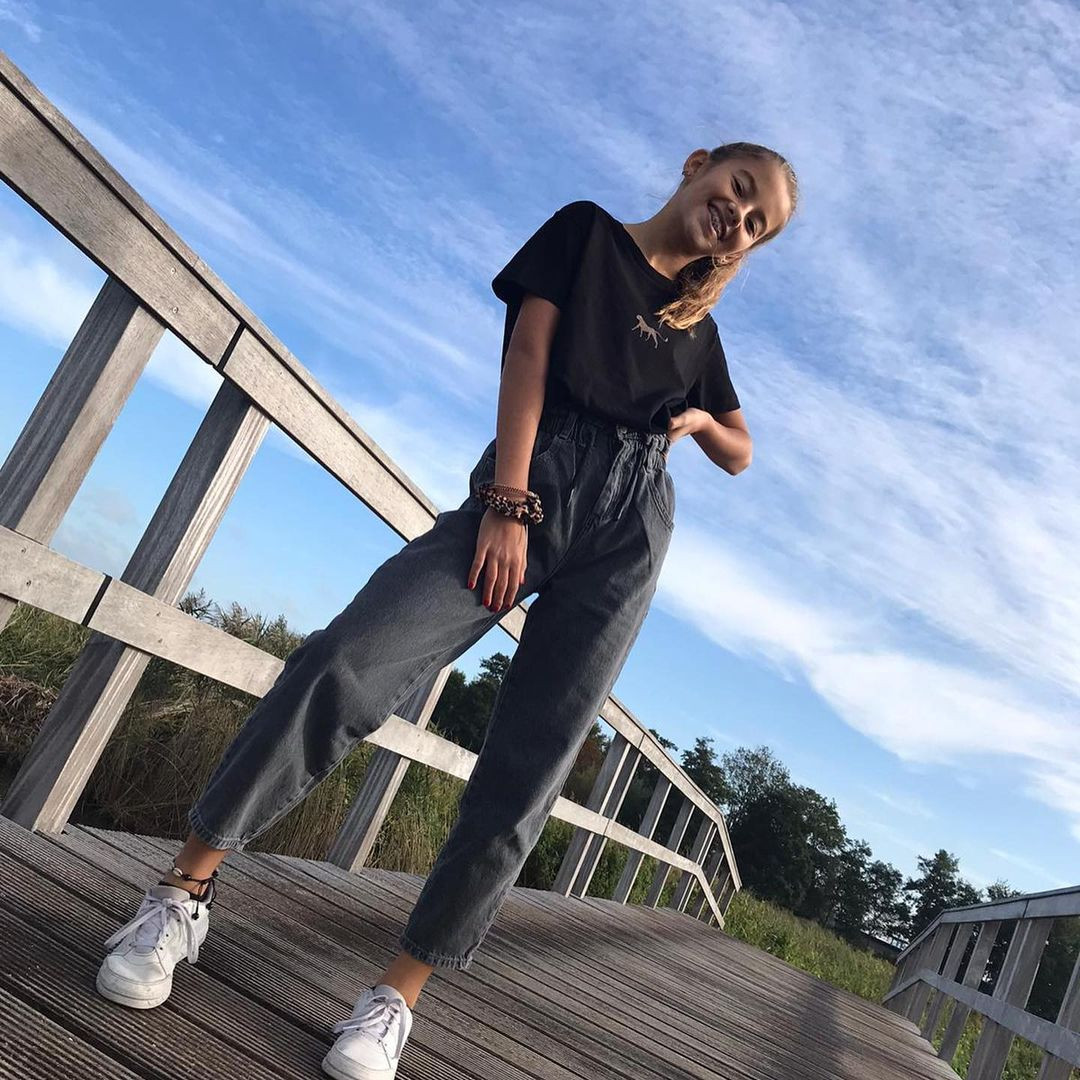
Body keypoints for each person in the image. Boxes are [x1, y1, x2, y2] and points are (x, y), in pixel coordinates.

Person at [95, 142, 797, 1079]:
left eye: (756, 226)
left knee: (532, 764)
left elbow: (742, 450)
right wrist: (507, 500)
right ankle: (183, 894)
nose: (736, 218)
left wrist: (703, 420)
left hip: (630, 531)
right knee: (351, 658)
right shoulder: (586, 234)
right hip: (536, 478)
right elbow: (528, 357)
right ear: (698, 164)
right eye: (738, 191)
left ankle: (397, 995)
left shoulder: (697, 332)